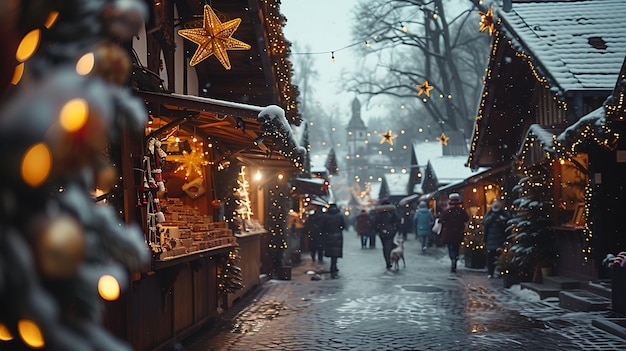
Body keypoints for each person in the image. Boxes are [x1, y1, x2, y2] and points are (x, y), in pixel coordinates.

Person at [439, 193, 469, 273]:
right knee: (456, 248)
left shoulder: (447, 211)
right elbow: (466, 219)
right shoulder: (461, 211)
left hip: (449, 233)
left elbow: (441, 220)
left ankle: (453, 259)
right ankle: (455, 258)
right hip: (458, 233)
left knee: (450, 247)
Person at [483, 199, 510, 278]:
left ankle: (491, 272)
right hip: (497, 240)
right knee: (495, 257)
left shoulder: (491, 214)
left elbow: (485, 223)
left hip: (494, 240)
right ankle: (493, 272)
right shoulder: (501, 215)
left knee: (492, 257)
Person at [373, 200, 400, 270]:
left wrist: (378, 230)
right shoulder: (392, 211)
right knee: (389, 246)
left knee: (385, 247)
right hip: (390, 232)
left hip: (382, 232)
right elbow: (397, 220)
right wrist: (394, 229)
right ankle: (390, 260)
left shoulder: (378, 212)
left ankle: (388, 261)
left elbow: (375, 222)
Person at [321, 203, 345, 278]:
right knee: (336, 252)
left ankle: (332, 266)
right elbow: (343, 225)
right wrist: (339, 229)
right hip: (337, 235)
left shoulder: (326, 216)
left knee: (331, 251)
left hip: (329, 235)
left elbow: (322, 226)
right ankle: (334, 265)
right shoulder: (340, 215)